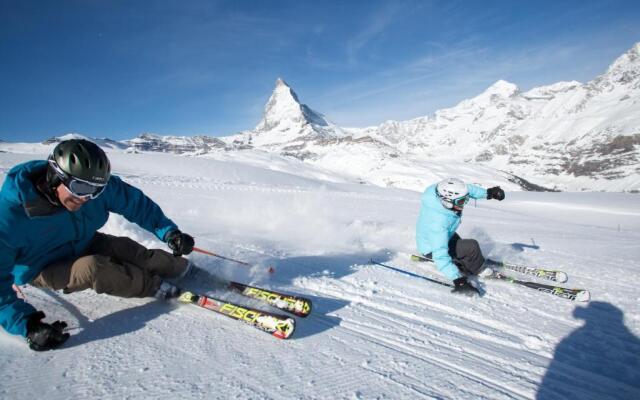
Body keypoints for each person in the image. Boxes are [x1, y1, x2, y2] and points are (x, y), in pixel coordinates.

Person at [0, 139, 195, 351]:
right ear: (55, 176)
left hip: (83, 242)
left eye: (97, 190)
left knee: (127, 249)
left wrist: (169, 232)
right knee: (95, 268)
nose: (87, 197)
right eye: (81, 188)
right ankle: (155, 286)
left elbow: (134, 203)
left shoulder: (90, 188)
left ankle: (183, 269)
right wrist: (27, 325)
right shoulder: (9, 218)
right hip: (41, 267)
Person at [416, 177, 505, 296]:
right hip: (431, 248)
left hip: (440, 236)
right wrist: (458, 279)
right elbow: (440, 255)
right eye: (461, 202)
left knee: (463, 246)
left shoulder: (436, 191)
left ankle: (468, 261)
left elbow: (467, 189)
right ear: (447, 201)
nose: (464, 204)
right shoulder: (439, 223)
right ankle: (480, 269)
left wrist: (488, 193)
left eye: (465, 200)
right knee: (471, 246)